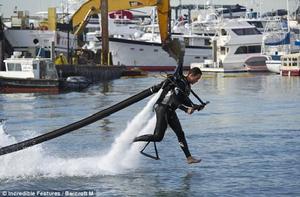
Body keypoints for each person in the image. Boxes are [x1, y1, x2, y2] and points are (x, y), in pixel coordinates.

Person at [133, 67, 205, 164]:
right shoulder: (180, 83)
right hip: (163, 108)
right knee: (158, 137)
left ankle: (189, 158)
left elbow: (184, 100)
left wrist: (195, 106)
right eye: (197, 78)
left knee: (180, 133)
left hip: (170, 110)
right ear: (191, 75)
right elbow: (173, 100)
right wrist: (186, 109)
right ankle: (133, 139)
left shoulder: (186, 85)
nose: (197, 81)